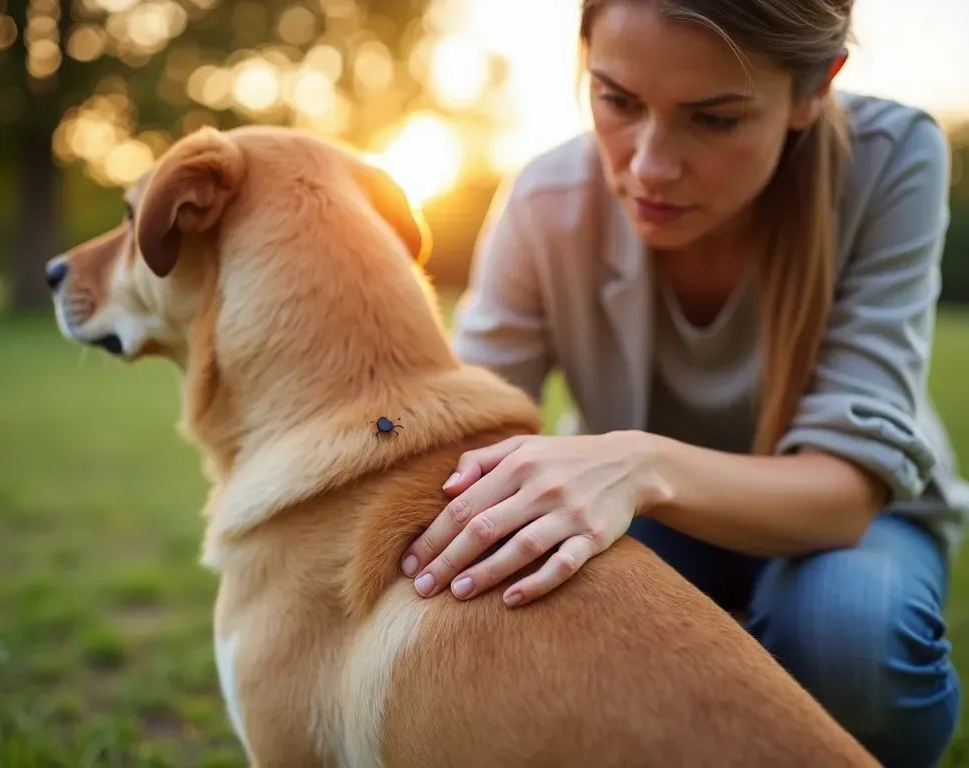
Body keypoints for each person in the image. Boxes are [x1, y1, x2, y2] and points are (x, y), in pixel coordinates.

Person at [397, 0, 967, 765]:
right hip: (645, 519)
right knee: (514, 583)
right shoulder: (546, 199)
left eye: (716, 119)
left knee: (847, 636)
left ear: (814, 89)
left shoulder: (892, 157)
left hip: (846, 520)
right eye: (617, 102)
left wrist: (642, 464)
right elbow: (459, 433)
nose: (650, 166)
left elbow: (841, 498)